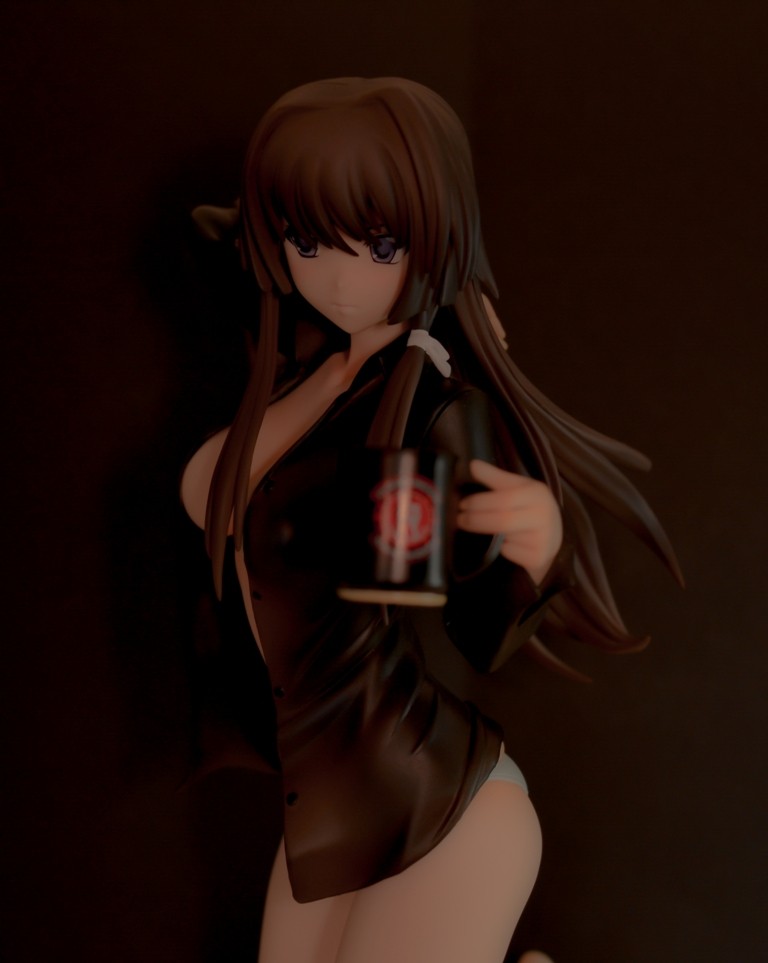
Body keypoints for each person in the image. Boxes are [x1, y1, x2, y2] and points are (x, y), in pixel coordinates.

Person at [182, 77, 680, 963]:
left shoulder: (437, 407)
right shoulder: (314, 387)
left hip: (442, 809)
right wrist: (344, 369)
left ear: (434, 237)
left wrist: (537, 548)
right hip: (331, 816)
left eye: (380, 246)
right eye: (307, 242)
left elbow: (480, 627)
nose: (340, 280)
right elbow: (205, 495)